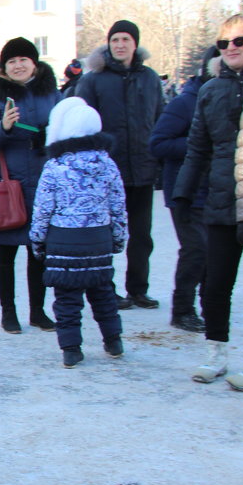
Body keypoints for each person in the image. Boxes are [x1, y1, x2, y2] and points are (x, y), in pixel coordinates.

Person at [173, 13, 243, 391]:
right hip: (222, 200)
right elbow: (197, 147)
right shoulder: (210, 90)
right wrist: (183, 193)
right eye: (224, 44)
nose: (232, 49)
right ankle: (216, 351)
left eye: (240, 40)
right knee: (215, 282)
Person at [30, 97, 128, 368]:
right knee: (104, 294)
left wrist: (38, 242)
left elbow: (42, 210)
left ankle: (71, 349)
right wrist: (117, 240)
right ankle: (114, 341)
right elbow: (118, 207)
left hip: (63, 242)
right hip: (99, 241)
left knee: (67, 300)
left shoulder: (55, 167)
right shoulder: (108, 164)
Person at [73, 19, 164, 310]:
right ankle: (106, 290)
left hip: (143, 169)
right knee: (105, 235)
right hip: (106, 172)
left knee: (142, 236)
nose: (120, 45)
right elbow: (81, 123)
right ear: (108, 44)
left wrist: (157, 158)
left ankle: (138, 289)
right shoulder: (93, 79)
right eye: (115, 40)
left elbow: (160, 120)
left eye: (126, 39)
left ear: (135, 43)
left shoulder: (150, 78)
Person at [0, 37, 61, 333]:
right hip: (7, 185)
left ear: (34, 64)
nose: (18, 65)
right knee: (7, 250)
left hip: (44, 183)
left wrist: (51, 138)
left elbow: (66, 133)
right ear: (4, 67)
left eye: (23, 60)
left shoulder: (52, 93)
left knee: (38, 251)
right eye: (11, 61)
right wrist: (4, 127)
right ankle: (8, 312)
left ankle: (38, 311)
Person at [149, 46, 219, 333]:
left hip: (216, 189)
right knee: (196, 249)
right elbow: (158, 143)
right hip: (184, 190)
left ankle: (207, 306)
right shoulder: (186, 102)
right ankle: (182, 310)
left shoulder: (227, 97)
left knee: (213, 252)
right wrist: (198, 143)